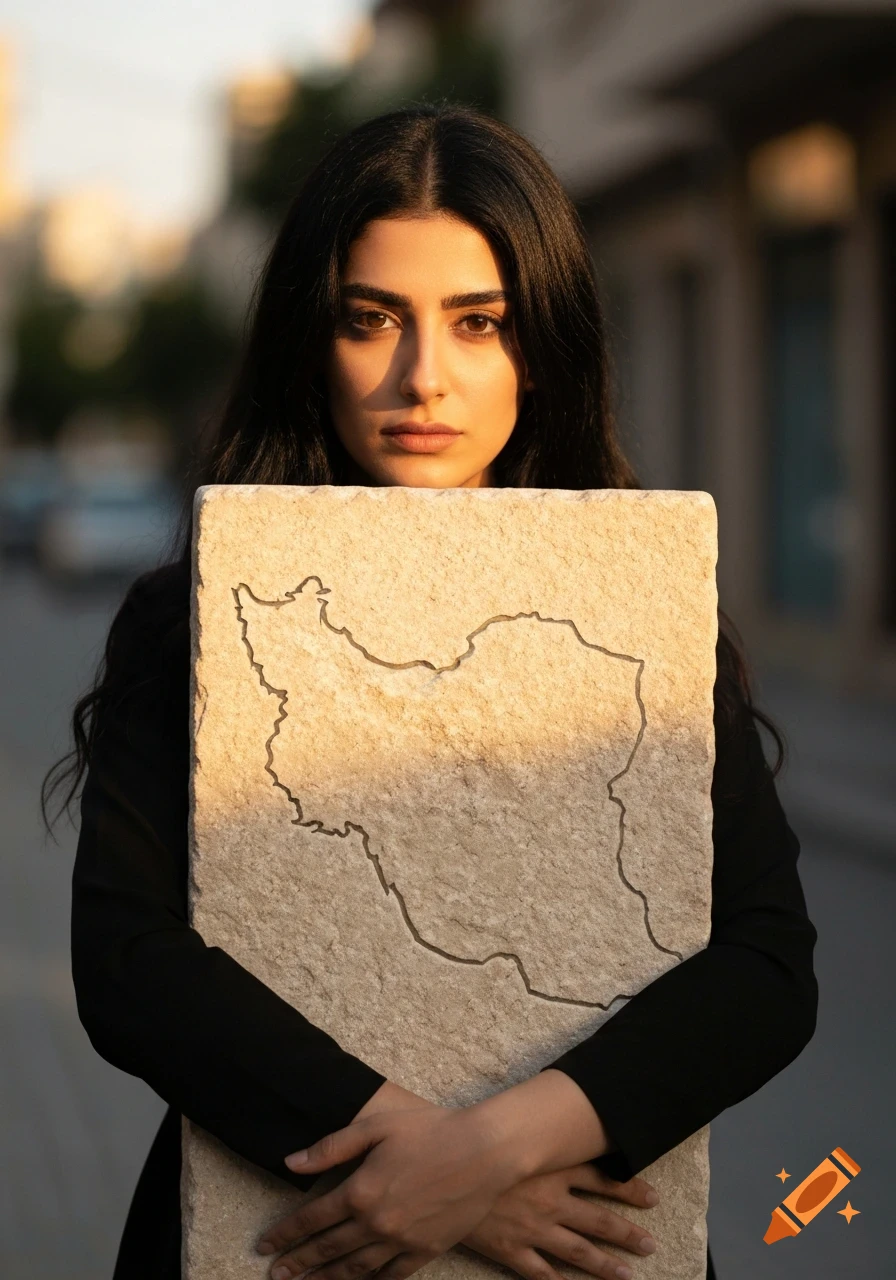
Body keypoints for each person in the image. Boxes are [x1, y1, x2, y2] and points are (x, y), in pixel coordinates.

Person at [44, 102, 819, 1280]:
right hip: (274, 1229)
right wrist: (417, 1171)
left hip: (582, 1239)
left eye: (476, 322)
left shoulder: (641, 607)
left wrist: (483, 1156)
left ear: (539, 345)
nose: (422, 378)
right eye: (371, 320)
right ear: (311, 341)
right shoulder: (190, 613)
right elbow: (128, 962)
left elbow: (764, 967)